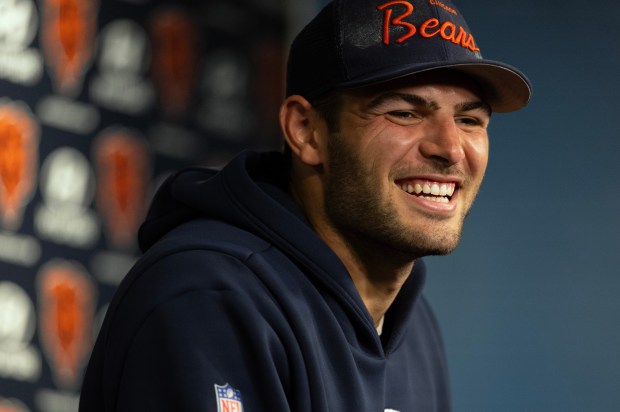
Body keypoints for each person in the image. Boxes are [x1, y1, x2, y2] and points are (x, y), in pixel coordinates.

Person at [79, 0, 531, 411]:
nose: (450, 149)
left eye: (470, 120)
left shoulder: (412, 326)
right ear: (305, 131)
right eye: (405, 113)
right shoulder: (210, 298)